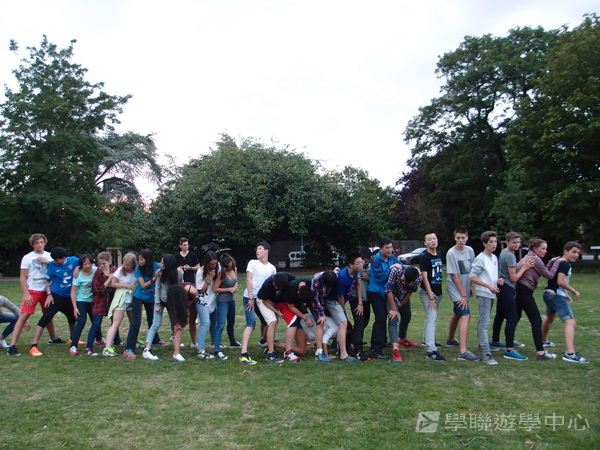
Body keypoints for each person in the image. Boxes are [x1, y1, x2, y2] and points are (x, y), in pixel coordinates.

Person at [8, 234, 61, 356]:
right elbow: (22, 277)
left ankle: (53, 338)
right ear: (33, 244)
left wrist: (49, 262)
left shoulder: (50, 256)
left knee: (48, 314)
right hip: (33, 290)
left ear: (45, 243)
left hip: (47, 290)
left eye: (41, 242)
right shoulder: (27, 258)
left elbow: (59, 268)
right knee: (24, 315)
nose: (39, 244)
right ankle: (12, 346)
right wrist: (26, 293)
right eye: (36, 243)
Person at [490, 232, 535, 360]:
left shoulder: (504, 252)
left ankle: (495, 341)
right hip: (507, 288)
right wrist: (525, 267)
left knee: (500, 314)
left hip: (502, 287)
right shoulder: (509, 255)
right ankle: (509, 350)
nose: (517, 244)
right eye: (514, 242)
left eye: (518, 242)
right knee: (512, 317)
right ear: (508, 242)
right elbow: (514, 278)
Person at [27, 247, 79, 357]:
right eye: (54, 260)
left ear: (64, 258)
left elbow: (86, 263)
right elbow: (47, 280)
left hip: (69, 296)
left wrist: (78, 268)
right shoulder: (52, 265)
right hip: (56, 295)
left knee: (72, 318)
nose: (55, 262)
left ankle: (73, 339)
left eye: (57, 260)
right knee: (46, 317)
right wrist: (49, 294)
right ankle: (33, 346)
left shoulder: (74, 260)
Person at [515, 238, 561, 360]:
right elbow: (549, 275)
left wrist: (551, 262)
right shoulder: (535, 259)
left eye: (546, 248)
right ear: (535, 248)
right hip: (524, 291)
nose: (545, 251)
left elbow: (543, 269)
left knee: (515, 318)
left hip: (519, 290)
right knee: (536, 320)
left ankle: (509, 345)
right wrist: (557, 262)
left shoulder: (528, 257)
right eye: (543, 248)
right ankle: (541, 353)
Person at [542, 242, 588, 364]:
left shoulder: (557, 260)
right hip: (556, 295)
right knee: (570, 322)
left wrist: (565, 294)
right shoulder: (564, 264)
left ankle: (543, 340)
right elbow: (560, 282)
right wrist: (573, 291)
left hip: (548, 293)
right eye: (573, 252)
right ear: (565, 251)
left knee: (550, 318)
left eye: (578, 253)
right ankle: (570, 354)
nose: (576, 255)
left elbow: (553, 281)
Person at [240, 242, 277, 365]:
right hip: (249, 298)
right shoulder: (253, 263)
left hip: (262, 299)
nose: (257, 251)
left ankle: (266, 344)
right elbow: (248, 279)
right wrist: (251, 298)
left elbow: (272, 287)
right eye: (256, 249)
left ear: (266, 251)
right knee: (251, 323)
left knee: (269, 321)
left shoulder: (272, 268)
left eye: (260, 249)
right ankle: (243, 354)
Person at [445, 228, 479, 361]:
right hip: (455, 288)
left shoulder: (470, 250)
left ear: (467, 238)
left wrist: (470, 287)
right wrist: (463, 294)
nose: (460, 240)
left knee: (458, 312)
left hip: (465, 286)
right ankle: (463, 352)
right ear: (455, 238)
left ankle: (450, 339)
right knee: (465, 314)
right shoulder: (451, 253)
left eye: (463, 238)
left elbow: (472, 271)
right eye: (458, 238)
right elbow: (454, 276)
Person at [143, 254, 185, 361]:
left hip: (173, 302)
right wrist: (157, 304)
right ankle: (147, 349)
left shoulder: (179, 273)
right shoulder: (159, 273)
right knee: (156, 324)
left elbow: (181, 287)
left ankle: (176, 351)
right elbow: (157, 289)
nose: (161, 264)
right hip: (161, 301)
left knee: (176, 324)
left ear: (169, 264)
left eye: (163, 262)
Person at [470, 231, 503, 365]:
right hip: (484, 294)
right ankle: (486, 354)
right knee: (484, 323)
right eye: (491, 242)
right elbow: (472, 277)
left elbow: (490, 275)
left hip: (491, 293)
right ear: (484, 243)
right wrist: (488, 286)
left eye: (495, 242)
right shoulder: (480, 258)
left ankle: (482, 345)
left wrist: (498, 280)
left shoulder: (494, 257)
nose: (494, 244)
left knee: (483, 322)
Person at [368, 236, 401, 359]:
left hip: (388, 292)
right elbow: (380, 278)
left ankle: (384, 342)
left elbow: (400, 267)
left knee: (391, 318)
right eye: (387, 248)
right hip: (376, 292)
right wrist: (391, 269)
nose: (390, 250)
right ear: (380, 248)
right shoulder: (376, 260)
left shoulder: (392, 257)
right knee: (380, 318)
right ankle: (375, 348)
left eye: (391, 247)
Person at [125, 249, 162, 357]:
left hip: (151, 298)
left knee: (152, 320)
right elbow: (143, 285)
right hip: (138, 296)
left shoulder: (156, 266)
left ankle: (155, 340)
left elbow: (166, 266)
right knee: (136, 322)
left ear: (148, 259)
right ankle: (129, 348)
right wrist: (154, 279)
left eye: (142, 259)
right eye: (139, 259)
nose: (140, 261)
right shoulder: (138, 269)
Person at [103, 252, 137, 357]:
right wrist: (126, 286)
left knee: (134, 323)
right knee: (116, 323)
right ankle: (107, 348)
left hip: (132, 298)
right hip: (121, 298)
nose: (126, 266)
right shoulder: (120, 270)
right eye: (124, 264)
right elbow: (113, 284)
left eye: (128, 265)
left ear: (133, 264)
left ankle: (131, 343)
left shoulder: (136, 271)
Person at [385, 264, 421, 362]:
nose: (404, 282)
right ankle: (395, 349)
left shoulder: (418, 277)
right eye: (404, 280)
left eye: (407, 282)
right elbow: (388, 290)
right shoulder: (396, 271)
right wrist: (394, 309)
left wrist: (403, 301)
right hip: (392, 296)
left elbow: (412, 289)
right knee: (393, 318)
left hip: (403, 296)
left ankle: (402, 339)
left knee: (407, 316)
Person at [260, 272, 299, 362]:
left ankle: (266, 342)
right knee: (273, 321)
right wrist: (276, 311)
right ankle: (271, 353)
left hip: (282, 301)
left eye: (279, 287)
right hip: (266, 301)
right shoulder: (267, 285)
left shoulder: (290, 278)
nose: (277, 288)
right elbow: (264, 300)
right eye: (275, 286)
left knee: (293, 321)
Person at [419, 232, 445, 361]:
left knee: (431, 317)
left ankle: (426, 340)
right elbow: (424, 277)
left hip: (438, 292)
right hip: (428, 293)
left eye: (434, 238)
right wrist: (430, 295)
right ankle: (430, 350)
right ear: (425, 243)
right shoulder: (424, 257)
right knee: (432, 318)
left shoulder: (438, 254)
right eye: (429, 239)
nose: (433, 241)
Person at [86, 251, 115, 356]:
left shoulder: (114, 270)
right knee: (96, 323)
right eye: (99, 264)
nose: (102, 266)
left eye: (104, 263)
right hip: (99, 301)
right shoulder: (98, 273)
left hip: (112, 300)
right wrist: (109, 280)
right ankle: (89, 348)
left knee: (114, 321)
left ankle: (117, 341)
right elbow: (97, 290)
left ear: (109, 262)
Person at [69, 254, 97, 356]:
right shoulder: (78, 275)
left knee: (96, 321)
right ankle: (73, 346)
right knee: (81, 321)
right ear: (81, 265)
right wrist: (75, 307)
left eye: (89, 263)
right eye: (85, 264)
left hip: (93, 300)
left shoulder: (95, 270)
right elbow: (73, 292)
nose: (88, 266)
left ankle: (99, 339)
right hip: (81, 300)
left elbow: (106, 267)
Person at [212, 253, 239, 361]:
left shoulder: (234, 270)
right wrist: (229, 289)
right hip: (222, 301)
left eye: (231, 265)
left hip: (231, 300)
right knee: (220, 324)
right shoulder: (221, 273)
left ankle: (232, 341)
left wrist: (235, 287)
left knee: (231, 322)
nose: (230, 267)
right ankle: (216, 349)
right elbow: (215, 289)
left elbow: (235, 282)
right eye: (228, 266)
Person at [195, 251, 219, 360]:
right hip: (202, 300)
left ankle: (215, 343)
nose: (214, 265)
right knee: (205, 322)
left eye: (215, 263)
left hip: (213, 299)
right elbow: (201, 290)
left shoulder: (218, 267)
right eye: (212, 264)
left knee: (214, 323)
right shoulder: (200, 272)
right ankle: (201, 350)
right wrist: (209, 277)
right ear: (207, 263)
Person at [349, 248, 372, 361]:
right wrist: (359, 303)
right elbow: (356, 285)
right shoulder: (356, 269)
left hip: (366, 300)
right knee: (359, 322)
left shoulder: (371, 268)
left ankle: (348, 340)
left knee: (364, 322)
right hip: (356, 300)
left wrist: (368, 278)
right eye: (362, 261)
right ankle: (358, 349)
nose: (363, 263)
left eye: (366, 261)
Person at [175, 238, 199, 348]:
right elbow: (172, 268)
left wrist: (190, 267)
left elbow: (198, 267)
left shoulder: (192, 255)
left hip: (191, 284)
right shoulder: (177, 256)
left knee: (192, 315)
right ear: (180, 246)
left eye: (187, 244)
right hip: (180, 285)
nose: (186, 246)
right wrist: (179, 268)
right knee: (180, 315)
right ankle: (178, 340)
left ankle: (194, 342)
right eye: (184, 245)